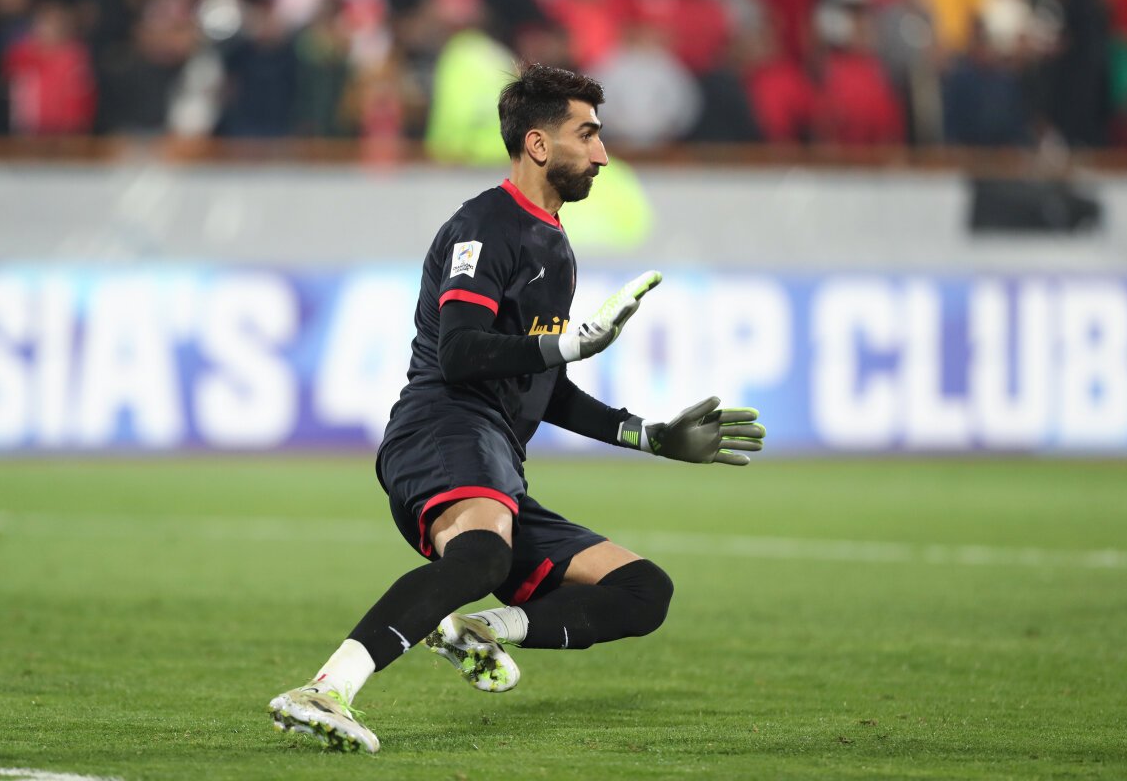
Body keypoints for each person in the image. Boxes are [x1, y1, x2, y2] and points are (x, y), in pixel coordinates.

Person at [268, 63, 766, 754]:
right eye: (587, 135)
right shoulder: (485, 226)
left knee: (641, 590)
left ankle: (479, 630)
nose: (602, 154)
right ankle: (324, 690)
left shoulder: (553, 244)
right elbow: (460, 352)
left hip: (496, 454)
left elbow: (542, 384)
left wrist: (649, 435)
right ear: (537, 143)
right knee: (481, 559)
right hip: (443, 427)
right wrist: (573, 343)